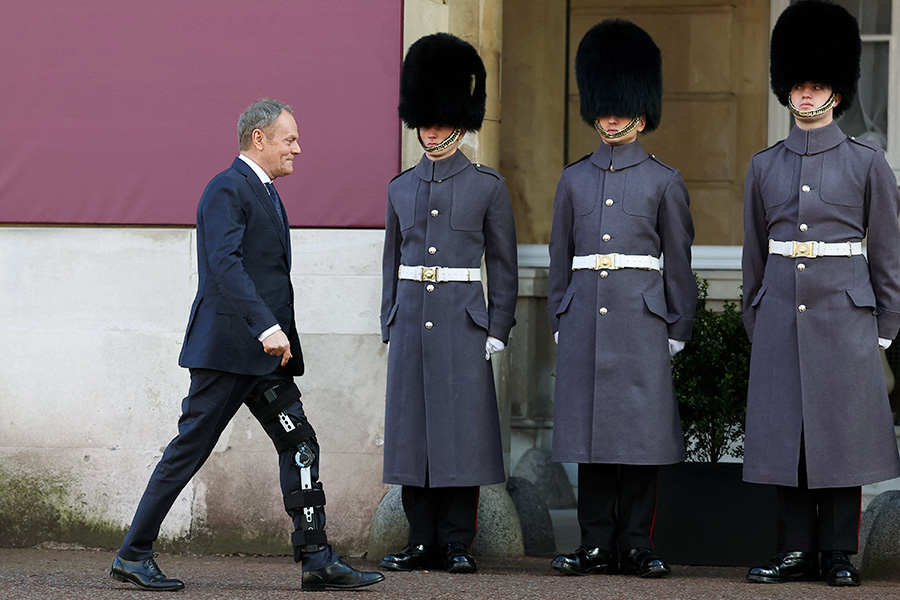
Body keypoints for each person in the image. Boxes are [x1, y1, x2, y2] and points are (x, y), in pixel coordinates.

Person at [108, 98, 384, 592]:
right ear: (259, 139)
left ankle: (317, 557)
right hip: (229, 352)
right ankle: (133, 553)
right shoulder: (226, 188)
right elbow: (225, 265)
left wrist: (277, 338)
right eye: (289, 139)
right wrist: (266, 327)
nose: (298, 148)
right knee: (188, 451)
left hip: (265, 359)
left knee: (300, 444)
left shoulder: (264, 191)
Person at [742, 0, 900, 588]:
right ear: (787, 90)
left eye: (816, 86)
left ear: (836, 92)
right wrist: (757, 318)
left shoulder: (867, 164)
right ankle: (795, 551)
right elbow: (755, 254)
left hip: (846, 317)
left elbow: (886, 251)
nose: (806, 96)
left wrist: (884, 325)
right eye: (798, 86)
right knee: (789, 438)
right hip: (781, 314)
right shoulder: (765, 167)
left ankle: (837, 553)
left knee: (841, 438)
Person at [547, 19, 696, 579]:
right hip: (585, 315)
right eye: (603, 108)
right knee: (591, 440)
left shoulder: (664, 181)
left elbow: (676, 259)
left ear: (639, 109)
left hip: (641, 321)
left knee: (638, 439)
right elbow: (562, 257)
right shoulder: (574, 179)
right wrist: (560, 313)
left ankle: (636, 543)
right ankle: (593, 543)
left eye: (618, 108)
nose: (609, 118)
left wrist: (679, 325)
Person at [379, 33, 518, 575]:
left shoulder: (488, 187)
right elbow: (391, 261)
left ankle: (458, 540)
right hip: (412, 320)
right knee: (414, 435)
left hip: (464, 323)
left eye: (440, 122)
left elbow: (502, 264)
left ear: (460, 123)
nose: (431, 131)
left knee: (462, 436)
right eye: (425, 122)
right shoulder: (400, 187)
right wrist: (389, 318)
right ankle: (422, 540)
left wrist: (498, 326)